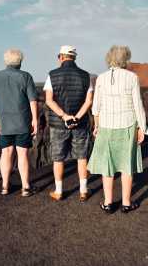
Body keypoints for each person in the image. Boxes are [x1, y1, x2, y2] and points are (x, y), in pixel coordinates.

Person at [88, 45, 148, 213]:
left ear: (109, 59)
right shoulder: (132, 77)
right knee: (126, 166)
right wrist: (142, 128)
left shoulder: (101, 78)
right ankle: (126, 203)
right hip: (128, 125)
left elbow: (96, 107)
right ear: (126, 59)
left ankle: (108, 203)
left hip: (106, 126)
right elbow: (138, 105)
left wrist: (97, 125)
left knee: (108, 166)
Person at [0, 49, 38, 197]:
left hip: (4, 123)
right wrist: (35, 120)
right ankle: (26, 188)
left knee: (6, 153)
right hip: (22, 122)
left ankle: (5, 186)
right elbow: (33, 100)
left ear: (5, 61)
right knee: (22, 154)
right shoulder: (26, 77)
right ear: (20, 61)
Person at [44, 45, 93, 202]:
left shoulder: (52, 75)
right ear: (74, 57)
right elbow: (89, 101)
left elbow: (49, 100)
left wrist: (65, 116)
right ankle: (84, 190)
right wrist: (77, 117)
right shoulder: (86, 76)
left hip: (58, 124)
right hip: (81, 123)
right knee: (82, 156)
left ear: (61, 57)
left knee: (58, 158)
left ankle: (59, 191)